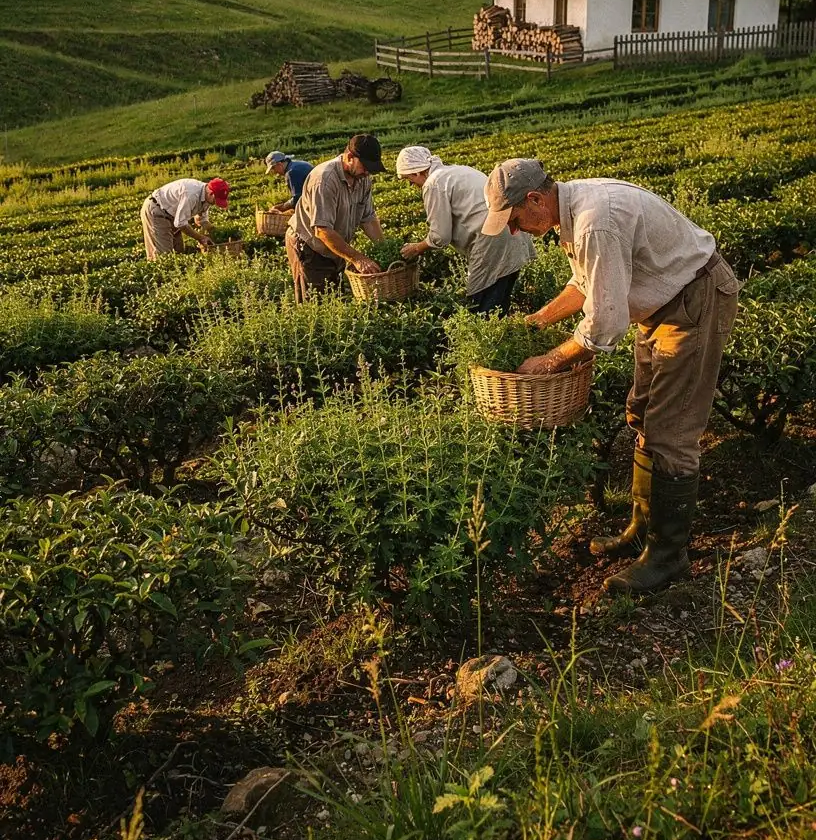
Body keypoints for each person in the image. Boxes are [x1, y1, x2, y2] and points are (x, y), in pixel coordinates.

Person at [482, 159, 740, 596]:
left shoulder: (594, 222)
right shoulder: (571, 210)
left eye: (515, 219)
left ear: (535, 199)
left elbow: (605, 322)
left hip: (693, 302)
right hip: (661, 305)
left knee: (671, 430)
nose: (513, 230)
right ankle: (642, 529)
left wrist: (550, 360)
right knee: (641, 413)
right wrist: (538, 320)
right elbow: (584, 284)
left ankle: (668, 555)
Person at [395, 145, 533, 314]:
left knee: (481, 306)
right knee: (500, 301)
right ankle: (505, 329)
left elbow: (440, 236)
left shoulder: (433, 184)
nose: (412, 185)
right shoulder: (458, 171)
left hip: (491, 240)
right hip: (512, 231)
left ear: (417, 172)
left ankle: (491, 331)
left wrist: (417, 248)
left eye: (410, 179)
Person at [286, 134, 386, 302]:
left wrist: (383, 247)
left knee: (335, 296)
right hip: (310, 245)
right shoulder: (324, 180)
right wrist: (357, 258)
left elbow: (368, 218)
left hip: (334, 244)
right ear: (350, 157)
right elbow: (322, 230)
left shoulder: (362, 179)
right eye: (365, 166)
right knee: (315, 302)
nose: (367, 172)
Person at [140, 177, 230, 260]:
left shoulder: (207, 196)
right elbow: (180, 224)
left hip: (173, 215)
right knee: (164, 256)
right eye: (216, 200)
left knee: (179, 251)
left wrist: (215, 233)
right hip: (157, 211)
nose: (215, 204)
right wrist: (200, 238)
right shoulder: (191, 194)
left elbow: (201, 220)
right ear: (211, 193)